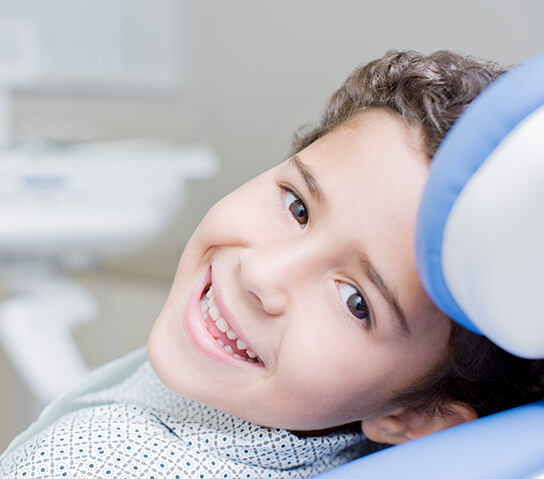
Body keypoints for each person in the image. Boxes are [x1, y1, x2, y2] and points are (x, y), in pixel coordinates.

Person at [2, 50, 543, 478]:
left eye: (356, 301)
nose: (264, 276)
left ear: (417, 418)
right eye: (297, 207)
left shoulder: (90, 462)